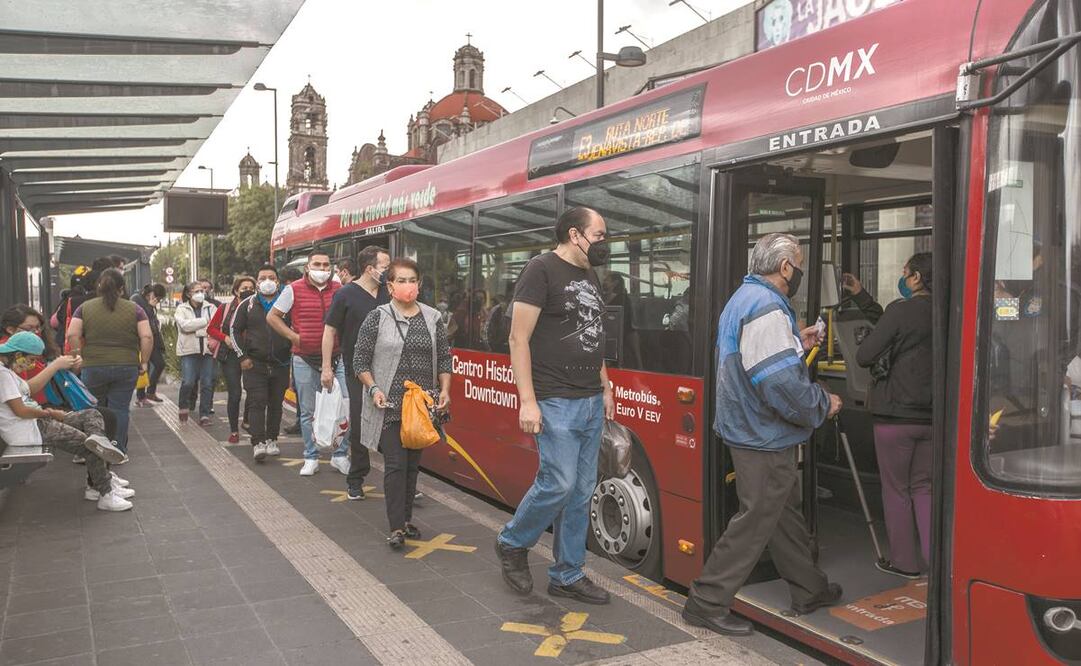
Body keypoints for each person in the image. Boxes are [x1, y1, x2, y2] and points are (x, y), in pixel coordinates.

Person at [681, 233, 843, 636]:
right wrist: (823, 403)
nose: (800, 270)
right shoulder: (767, 306)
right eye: (799, 262)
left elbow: (756, 359)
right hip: (762, 435)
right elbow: (780, 382)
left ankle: (809, 589)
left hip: (749, 429)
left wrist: (794, 341)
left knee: (783, 515)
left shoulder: (744, 299)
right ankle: (706, 600)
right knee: (754, 519)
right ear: (786, 267)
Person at [494, 207, 616, 605]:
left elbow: (590, 333)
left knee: (581, 493)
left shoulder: (588, 275)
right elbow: (518, 338)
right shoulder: (540, 270)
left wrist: (606, 385)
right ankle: (513, 542)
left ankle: (568, 573)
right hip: (554, 399)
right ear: (574, 234)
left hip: (589, 399)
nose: (604, 243)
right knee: (558, 483)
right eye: (599, 235)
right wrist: (527, 401)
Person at [354, 258, 451, 548]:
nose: (408, 286)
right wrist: (374, 389)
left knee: (412, 466)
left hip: (420, 406)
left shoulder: (433, 318)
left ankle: (406, 519)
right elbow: (360, 360)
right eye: (402, 281)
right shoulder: (377, 317)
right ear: (390, 286)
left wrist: (446, 389)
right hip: (389, 406)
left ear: (419, 285)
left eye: (413, 281)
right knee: (395, 464)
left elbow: (445, 357)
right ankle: (396, 527)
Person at [850, 253, 934, 579]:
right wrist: (861, 295)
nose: (903, 277)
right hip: (933, 418)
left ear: (915, 278)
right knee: (924, 487)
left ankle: (905, 562)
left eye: (906, 272)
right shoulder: (949, 310)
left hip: (896, 417)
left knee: (896, 489)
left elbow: (865, 354)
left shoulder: (902, 310)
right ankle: (934, 562)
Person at [0, 332, 132, 510]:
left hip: (38, 422)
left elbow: (27, 392)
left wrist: (50, 413)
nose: (31, 365)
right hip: (33, 429)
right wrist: (49, 414)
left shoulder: (8, 372)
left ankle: (99, 442)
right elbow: (21, 410)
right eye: (30, 359)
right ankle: (105, 494)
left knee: (92, 415)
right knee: (90, 447)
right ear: (17, 355)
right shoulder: (3, 375)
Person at [268, 248, 350, 476]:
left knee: (345, 406)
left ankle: (340, 455)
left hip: (336, 357)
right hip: (304, 358)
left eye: (326, 265)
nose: (322, 269)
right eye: (317, 265)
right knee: (307, 411)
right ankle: (311, 456)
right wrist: (293, 336)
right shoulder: (293, 290)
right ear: (307, 267)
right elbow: (272, 316)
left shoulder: (339, 289)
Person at [323, 246, 390, 499]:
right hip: (356, 369)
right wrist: (328, 367)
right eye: (385, 266)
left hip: (389, 369)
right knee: (361, 426)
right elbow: (329, 331)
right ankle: (356, 477)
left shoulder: (389, 292)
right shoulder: (345, 295)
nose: (388, 271)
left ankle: (403, 480)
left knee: (393, 427)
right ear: (370, 268)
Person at [65, 269, 153, 455]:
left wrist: (77, 354)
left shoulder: (85, 308)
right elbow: (146, 337)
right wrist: (144, 362)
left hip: (93, 366)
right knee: (120, 409)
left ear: (99, 287)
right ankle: (117, 448)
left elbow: (72, 333)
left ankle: (93, 451)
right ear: (122, 289)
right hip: (126, 366)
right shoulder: (135, 309)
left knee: (94, 409)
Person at [233, 266, 291, 461]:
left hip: (281, 364)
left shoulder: (287, 304)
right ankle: (258, 442)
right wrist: (242, 356)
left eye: (271, 277)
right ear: (257, 282)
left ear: (278, 281)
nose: (267, 281)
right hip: (254, 364)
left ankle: (272, 439)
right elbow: (234, 331)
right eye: (263, 278)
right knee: (257, 402)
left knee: (276, 404)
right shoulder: (247, 305)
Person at [209, 276, 256, 443]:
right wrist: (225, 338)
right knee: (235, 394)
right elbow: (211, 328)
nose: (248, 290)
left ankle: (248, 420)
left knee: (254, 392)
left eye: (251, 287)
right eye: (244, 288)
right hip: (230, 356)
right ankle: (234, 431)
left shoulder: (257, 307)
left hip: (252, 354)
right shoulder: (225, 307)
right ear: (236, 290)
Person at [175, 281, 217, 425]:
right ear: (188, 294)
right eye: (196, 291)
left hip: (207, 351)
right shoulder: (181, 308)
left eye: (202, 291)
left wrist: (197, 327)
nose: (201, 293)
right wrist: (205, 322)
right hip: (188, 351)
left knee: (207, 383)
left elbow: (216, 326)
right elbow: (184, 326)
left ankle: (204, 414)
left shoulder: (211, 307)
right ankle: (183, 405)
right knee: (188, 382)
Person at [133, 283, 167, 406]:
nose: (157, 301)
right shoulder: (136, 299)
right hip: (141, 339)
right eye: (157, 298)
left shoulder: (149, 304)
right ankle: (141, 396)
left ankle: (150, 392)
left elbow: (153, 322)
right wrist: (149, 307)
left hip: (152, 339)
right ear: (150, 294)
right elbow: (141, 318)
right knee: (143, 367)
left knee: (159, 364)